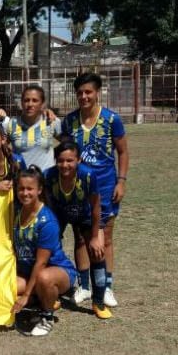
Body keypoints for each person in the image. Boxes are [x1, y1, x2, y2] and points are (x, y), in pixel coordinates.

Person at [61, 72, 129, 307]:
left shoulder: (112, 119)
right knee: (80, 237)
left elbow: (123, 151)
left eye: (88, 92)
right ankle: (84, 286)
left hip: (106, 187)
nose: (84, 96)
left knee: (105, 237)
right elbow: (64, 153)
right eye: (79, 93)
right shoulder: (68, 121)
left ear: (97, 92)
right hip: (78, 189)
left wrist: (121, 181)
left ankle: (107, 286)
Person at [45, 141, 111, 319]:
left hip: (84, 215)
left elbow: (96, 206)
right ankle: (50, 296)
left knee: (97, 251)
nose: (65, 165)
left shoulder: (88, 176)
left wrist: (96, 236)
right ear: (55, 160)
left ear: (79, 160)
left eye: (70, 161)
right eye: (60, 160)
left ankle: (98, 302)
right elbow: (44, 204)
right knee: (47, 250)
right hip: (58, 214)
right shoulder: (49, 176)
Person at [12, 166, 77, 336]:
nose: (25, 193)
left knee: (44, 277)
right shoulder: (17, 212)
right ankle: (40, 299)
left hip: (57, 271)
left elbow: (41, 263)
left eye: (29, 189)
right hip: (27, 274)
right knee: (4, 286)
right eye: (21, 188)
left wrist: (25, 295)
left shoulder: (46, 221)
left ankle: (46, 315)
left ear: (39, 190)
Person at [2, 85, 62, 171]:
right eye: (26, 100)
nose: (30, 104)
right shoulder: (12, 123)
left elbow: (64, 144)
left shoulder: (52, 121)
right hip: (22, 180)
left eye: (35, 100)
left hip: (46, 180)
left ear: (42, 103)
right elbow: (3, 148)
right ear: (21, 103)